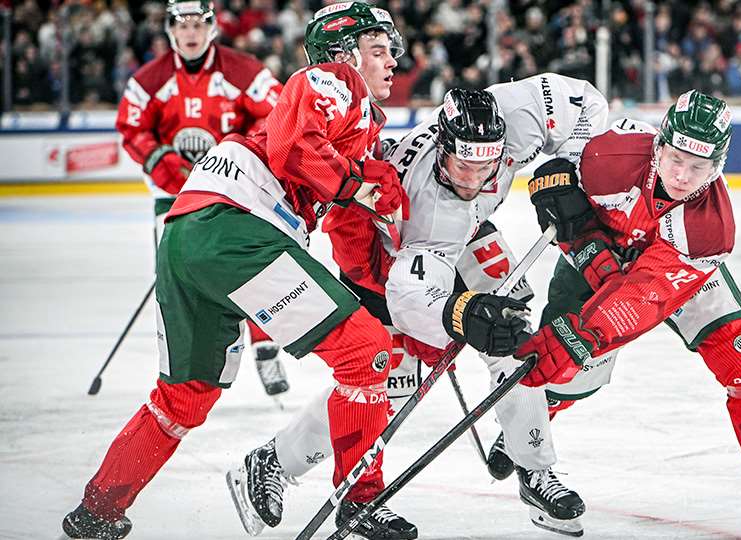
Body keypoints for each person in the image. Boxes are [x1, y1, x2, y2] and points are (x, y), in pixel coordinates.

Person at [62, 3, 408, 539]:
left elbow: (344, 220)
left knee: (182, 398)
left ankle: (97, 511)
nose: (393, 62)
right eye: (379, 50)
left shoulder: (357, 125)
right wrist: (357, 186)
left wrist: (373, 278)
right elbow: (296, 148)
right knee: (367, 356)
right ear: (344, 54)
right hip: (237, 230)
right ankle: (362, 500)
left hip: (186, 232)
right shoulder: (334, 81)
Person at [231, 75, 609, 538]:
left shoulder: (514, 116)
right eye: (460, 168)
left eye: (485, 168)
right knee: (391, 386)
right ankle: (276, 458)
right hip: (382, 255)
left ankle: (534, 468)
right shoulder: (425, 207)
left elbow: (584, 101)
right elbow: (410, 293)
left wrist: (569, 170)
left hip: (465, 236)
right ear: (443, 151)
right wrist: (462, 316)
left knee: (514, 336)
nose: (472, 180)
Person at [512, 90, 741, 539]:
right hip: (602, 257)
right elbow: (561, 182)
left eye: (699, 168)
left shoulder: (710, 229)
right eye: (675, 159)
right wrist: (562, 201)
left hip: (673, 269)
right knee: (562, 376)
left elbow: (647, 295)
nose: (682, 176)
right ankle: (529, 450)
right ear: (658, 146)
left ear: (718, 166)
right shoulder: (611, 156)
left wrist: (583, 334)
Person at [114, 0, 289, 396]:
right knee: (181, 277)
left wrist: (238, 148)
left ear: (212, 27)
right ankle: (192, 361)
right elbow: (131, 127)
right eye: (183, 25)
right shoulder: (148, 80)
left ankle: (264, 346)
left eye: (198, 24)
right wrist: (160, 160)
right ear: (170, 31)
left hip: (230, 187)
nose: (190, 33)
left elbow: (276, 115)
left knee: (249, 265)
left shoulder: (243, 70)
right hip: (173, 196)